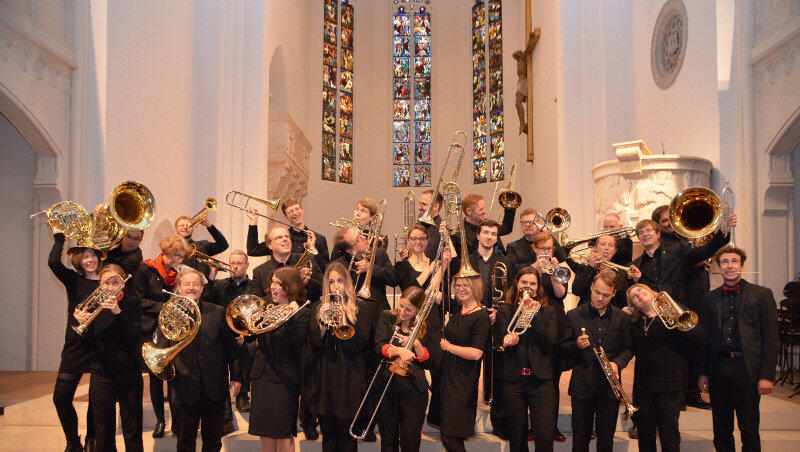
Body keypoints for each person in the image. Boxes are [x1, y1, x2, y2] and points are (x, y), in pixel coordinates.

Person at [698, 246, 778, 452]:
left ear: (742, 265)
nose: (730, 265)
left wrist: (766, 376)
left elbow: (770, 338)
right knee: (721, 430)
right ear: (719, 267)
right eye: (725, 262)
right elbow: (705, 340)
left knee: (749, 429)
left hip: (746, 369)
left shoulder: (762, 294)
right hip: (719, 368)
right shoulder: (709, 298)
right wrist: (703, 373)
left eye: (734, 261)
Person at [450, 219, 515, 437]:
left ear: (497, 238)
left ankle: (500, 424)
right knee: (467, 375)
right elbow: (456, 290)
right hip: (471, 321)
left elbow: (511, 295)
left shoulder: (505, 261)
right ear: (477, 235)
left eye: (493, 234)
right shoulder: (464, 261)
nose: (489, 237)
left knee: (498, 374)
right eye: (485, 232)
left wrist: (501, 313)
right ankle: (464, 424)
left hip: (496, 324)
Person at [167, 267, 242, 452]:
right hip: (184, 385)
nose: (191, 288)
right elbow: (161, 344)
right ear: (179, 288)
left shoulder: (217, 311)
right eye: (187, 284)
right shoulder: (169, 313)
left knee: (213, 442)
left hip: (214, 387)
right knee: (185, 442)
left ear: (202, 287)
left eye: (196, 284)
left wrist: (237, 376)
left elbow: (229, 347)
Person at [627, 283, 705, 452]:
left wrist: (678, 319)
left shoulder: (673, 310)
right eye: (634, 296)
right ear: (634, 305)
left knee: (669, 436)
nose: (638, 294)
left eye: (640, 290)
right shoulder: (635, 323)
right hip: (644, 386)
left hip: (671, 383)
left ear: (651, 291)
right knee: (645, 437)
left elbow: (698, 337)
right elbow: (628, 349)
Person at [561, 271, 632, 452]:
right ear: (591, 287)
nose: (600, 298)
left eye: (606, 295)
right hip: (582, 386)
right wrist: (577, 345)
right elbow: (562, 348)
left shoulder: (622, 318)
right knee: (580, 440)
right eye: (597, 292)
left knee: (606, 440)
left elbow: (628, 349)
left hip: (610, 388)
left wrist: (617, 363)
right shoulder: (573, 315)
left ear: (614, 293)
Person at [651, 205, 712, 409]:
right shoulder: (666, 247)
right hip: (682, 300)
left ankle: (693, 392)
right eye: (665, 220)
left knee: (697, 346)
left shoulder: (684, 240)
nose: (669, 223)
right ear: (658, 226)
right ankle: (684, 393)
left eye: (672, 219)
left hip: (699, 297)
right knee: (684, 348)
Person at [131, 233, 192, 438]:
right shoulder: (145, 269)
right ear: (169, 253)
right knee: (156, 376)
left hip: (171, 328)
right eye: (179, 256)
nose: (181, 260)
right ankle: (160, 420)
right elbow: (136, 301)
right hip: (150, 329)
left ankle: (176, 421)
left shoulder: (177, 274)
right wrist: (164, 306)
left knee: (175, 375)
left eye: (182, 257)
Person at [48, 228, 103, 452]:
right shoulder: (73, 280)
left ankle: (92, 438)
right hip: (75, 345)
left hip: (100, 346)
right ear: (79, 259)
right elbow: (53, 263)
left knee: (97, 399)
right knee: (60, 397)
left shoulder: (109, 282)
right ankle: (73, 440)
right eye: (85, 256)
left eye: (93, 255)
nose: (90, 260)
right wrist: (59, 237)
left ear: (99, 258)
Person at [495, 267, 559, 452]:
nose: (528, 287)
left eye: (533, 283)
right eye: (524, 282)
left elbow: (550, 342)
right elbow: (501, 337)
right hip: (513, 381)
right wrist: (507, 341)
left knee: (545, 438)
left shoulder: (548, 311)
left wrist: (533, 314)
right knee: (517, 438)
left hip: (541, 382)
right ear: (517, 284)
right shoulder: (505, 309)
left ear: (538, 287)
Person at [248, 267, 312, 452]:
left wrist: (289, 316)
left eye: (279, 283)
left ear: (290, 286)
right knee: (265, 432)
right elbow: (255, 334)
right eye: (272, 282)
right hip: (262, 377)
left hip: (284, 379)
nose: (273, 287)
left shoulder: (302, 311)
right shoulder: (265, 306)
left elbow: (296, 342)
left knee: (283, 434)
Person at [310, 262, 371, 452]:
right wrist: (322, 325)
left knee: (347, 437)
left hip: (350, 376)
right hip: (326, 376)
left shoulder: (361, 307)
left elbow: (360, 344)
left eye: (340, 281)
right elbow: (314, 344)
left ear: (347, 283)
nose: (335, 286)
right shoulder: (319, 308)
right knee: (328, 436)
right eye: (331, 282)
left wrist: (343, 319)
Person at [83, 264, 143, 452]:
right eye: (105, 283)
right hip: (102, 374)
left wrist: (118, 312)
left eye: (115, 282)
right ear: (99, 286)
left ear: (123, 283)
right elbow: (89, 344)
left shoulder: (133, 303)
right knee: (103, 430)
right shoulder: (92, 304)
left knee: (132, 429)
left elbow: (134, 337)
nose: (110, 287)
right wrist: (82, 325)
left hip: (129, 373)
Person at [375, 286, 437, 452]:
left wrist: (416, 344)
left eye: (408, 309)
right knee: (388, 441)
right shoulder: (387, 317)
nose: (402, 312)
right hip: (388, 387)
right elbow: (379, 346)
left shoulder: (426, 325)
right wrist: (398, 351)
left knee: (410, 442)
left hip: (414, 391)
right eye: (401, 305)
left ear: (418, 310)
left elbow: (430, 363)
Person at [436, 275, 490, 452]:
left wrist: (449, 347)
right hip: (449, 377)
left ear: (476, 287)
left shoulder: (481, 316)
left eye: (466, 285)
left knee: (450, 436)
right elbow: (432, 293)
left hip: (463, 382)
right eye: (458, 285)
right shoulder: (459, 309)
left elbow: (476, 353)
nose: (460, 288)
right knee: (447, 433)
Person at [206, 250, 258, 414]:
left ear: (247, 265)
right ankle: (225, 400)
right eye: (232, 263)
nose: (235, 266)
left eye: (239, 263)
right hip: (222, 333)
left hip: (245, 333)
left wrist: (248, 333)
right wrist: (212, 275)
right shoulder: (220, 284)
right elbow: (206, 299)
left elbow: (257, 312)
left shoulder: (254, 287)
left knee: (247, 352)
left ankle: (243, 395)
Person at [530, 232, 568, 442]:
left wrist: (553, 272)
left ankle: (552, 427)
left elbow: (561, 294)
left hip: (555, 326)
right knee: (533, 378)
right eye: (541, 248)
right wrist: (536, 269)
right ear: (534, 249)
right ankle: (535, 427)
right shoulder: (528, 269)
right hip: (534, 324)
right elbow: (525, 292)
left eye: (549, 249)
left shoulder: (559, 268)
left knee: (552, 380)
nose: (545, 253)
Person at [246, 197, 330, 269]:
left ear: (302, 210)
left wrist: (313, 250)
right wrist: (253, 222)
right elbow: (253, 250)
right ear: (286, 216)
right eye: (291, 211)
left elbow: (326, 268)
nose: (295, 213)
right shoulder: (280, 239)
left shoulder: (319, 239)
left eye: (297, 209)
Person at [250, 226, 321, 300]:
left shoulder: (308, 260)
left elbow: (321, 289)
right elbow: (257, 302)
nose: (285, 239)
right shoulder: (259, 272)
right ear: (269, 245)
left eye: (287, 236)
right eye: (279, 237)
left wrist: (306, 283)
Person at [449, 193, 515, 257]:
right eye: (481, 209)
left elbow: (507, 229)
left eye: (484, 208)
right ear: (469, 211)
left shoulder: (487, 223)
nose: (485, 211)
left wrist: (509, 203)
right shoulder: (460, 235)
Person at [174, 213, 229, 278]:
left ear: (193, 230)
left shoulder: (202, 245)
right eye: (182, 225)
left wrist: (209, 226)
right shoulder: (171, 248)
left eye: (188, 225)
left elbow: (223, 245)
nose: (185, 227)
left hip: (202, 286)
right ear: (175, 230)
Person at [417, 189, 444, 259]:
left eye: (424, 204)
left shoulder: (442, 229)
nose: (419, 207)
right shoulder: (418, 224)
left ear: (435, 207)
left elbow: (428, 255)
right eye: (420, 204)